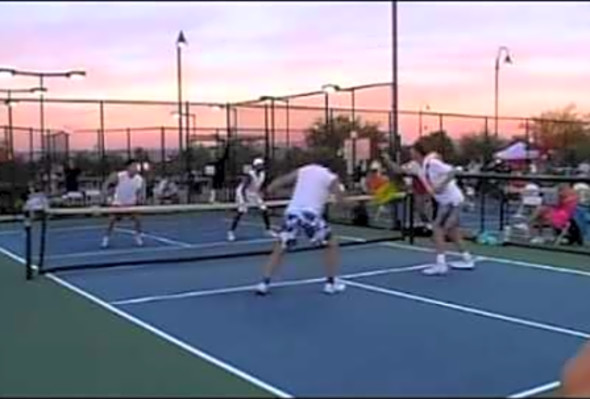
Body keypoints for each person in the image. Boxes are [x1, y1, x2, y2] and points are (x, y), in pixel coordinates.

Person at [255, 162, 347, 296]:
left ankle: (264, 283)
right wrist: (354, 203)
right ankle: (330, 284)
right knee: (331, 244)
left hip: (292, 213)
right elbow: (341, 202)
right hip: (310, 215)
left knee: (280, 248)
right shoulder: (331, 176)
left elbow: (277, 184)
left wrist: (274, 190)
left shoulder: (304, 170)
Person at [383, 144, 474, 275]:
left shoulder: (433, 163)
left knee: (437, 229)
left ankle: (441, 264)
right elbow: (398, 170)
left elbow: (453, 171)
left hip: (453, 200)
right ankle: (467, 259)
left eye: (412, 151)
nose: (410, 154)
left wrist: (440, 187)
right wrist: (386, 159)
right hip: (444, 202)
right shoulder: (415, 166)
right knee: (452, 232)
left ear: (418, 152)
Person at [100, 159, 146, 249]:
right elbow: (106, 185)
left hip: (131, 204)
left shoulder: (139, 179)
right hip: (118, 203)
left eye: (136, 166)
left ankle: (138, 237)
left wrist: (141, 198)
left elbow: (141, 192)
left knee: (137, 220)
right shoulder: (119, 176)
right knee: (112, 221)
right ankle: (106, 238)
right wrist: (106, 197)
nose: (136, 168)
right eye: (133, 166)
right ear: (128, 167)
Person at [227, 157, 274, 242]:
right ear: (255, 166)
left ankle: (268, 230)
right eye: (259, 165)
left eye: (262, 165)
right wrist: (243, 200)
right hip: (242, 192)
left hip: (254, 193)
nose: (261, 167)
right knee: (241, 211)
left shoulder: (263, 174)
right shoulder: (250, 175)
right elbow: (243, 188)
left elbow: (261, 186)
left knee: (264, 209)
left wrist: (263, 193)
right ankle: (231, 232)